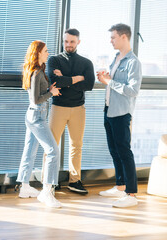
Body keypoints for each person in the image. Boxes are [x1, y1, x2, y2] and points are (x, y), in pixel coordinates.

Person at [97, 23, 142, 207]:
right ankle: (120, 185)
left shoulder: (133, 62)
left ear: (124, 37)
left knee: (124, 152)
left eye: (113, 37)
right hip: (109, 110)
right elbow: (112, 84)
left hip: (122, 113)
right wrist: (105, 79)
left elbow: (133, 90)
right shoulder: (116, 58)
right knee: (114, 151)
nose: (111, 40)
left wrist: (109, 81)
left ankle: (131, 195)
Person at [46, 28, 95, 194]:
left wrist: (65, 80)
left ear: (78, 42)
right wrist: (77, 78)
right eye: (66, 41)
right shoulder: (54, 60)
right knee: (51, 146)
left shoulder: (86, 63)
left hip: (78, 109)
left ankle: (74, 181)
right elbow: (54, 82)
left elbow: (89, 85)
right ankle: (49, 182)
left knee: (76, 146)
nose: (68, 45)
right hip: (58, 107)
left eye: (72, 42)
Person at [17, 40, 62, 208]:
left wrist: (50, 87)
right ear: (37, 53)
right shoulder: (36, 73)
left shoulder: (38, 71)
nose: (48, 53)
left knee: (30, 151)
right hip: (37, 116)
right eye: (45, 51)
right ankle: (47, 192)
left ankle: (24, 187)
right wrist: (51, 92)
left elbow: (39, 93)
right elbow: (37, 99)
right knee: (52, 151)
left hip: (33, 115)